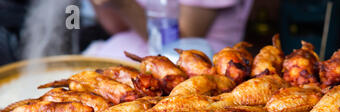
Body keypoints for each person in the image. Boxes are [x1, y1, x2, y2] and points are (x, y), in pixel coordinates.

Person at [84, 0, 254, 59]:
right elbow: (116, 27)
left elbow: (176, 47)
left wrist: (124, 3)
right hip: (128, 52)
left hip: (195, 61)